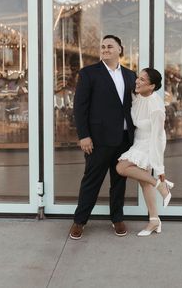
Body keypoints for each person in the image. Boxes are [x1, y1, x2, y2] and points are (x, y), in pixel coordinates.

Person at [69, 35, 136, 240]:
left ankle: (117, 219)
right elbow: (80, 107)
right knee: (91, 181)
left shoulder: (130, 75)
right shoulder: (89, 73)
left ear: (119, 50)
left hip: (124, 139)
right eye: (103, 46)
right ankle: (79, 221)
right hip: (97, 140)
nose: (105, 49)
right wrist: (84, 136)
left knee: (119, 182)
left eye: (110, 46)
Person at [116, 68, 174, 237]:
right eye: (138, 78)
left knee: (121, 168)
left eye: (142, 80)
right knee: (144, 182)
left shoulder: (157, 108)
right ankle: (154, 220)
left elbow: (157, 138)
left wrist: (160, 168)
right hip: (139, 141)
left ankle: (160, 185)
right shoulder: (137, 96)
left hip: (151, 143)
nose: (137, 82)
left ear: (152, 86)